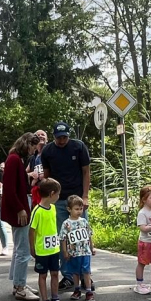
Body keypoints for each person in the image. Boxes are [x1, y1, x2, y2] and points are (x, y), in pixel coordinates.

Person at [39, 122, 91, 290]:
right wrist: (48, 200)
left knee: (81, 237)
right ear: (54, 137)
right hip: (59, 200)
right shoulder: (48, 151)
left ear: (69, 135)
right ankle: (68, 275)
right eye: (59, 138)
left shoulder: (78, 147)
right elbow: (47, 178)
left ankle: (85, 275)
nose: (62, 141)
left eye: (64, 137)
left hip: (77, 198)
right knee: (64, 237)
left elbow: (86, 171)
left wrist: (85, 196)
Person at [1, 133, 41, 301]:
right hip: (18, 210)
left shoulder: (16, 159)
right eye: (33, 147)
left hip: (19, 208)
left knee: (18, 249)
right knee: (23, 251)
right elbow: (9, 189)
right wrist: (20, 209)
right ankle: (20, 287)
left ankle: (18, 282)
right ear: (27, 144)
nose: (33, 151)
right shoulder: (14, 160)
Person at [29, 178, 67, 301]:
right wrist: (32, 247)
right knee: (43, 275)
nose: (59, 197)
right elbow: (31, 230)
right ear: (52, 194)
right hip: (42, 250)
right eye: (58, 194)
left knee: (55, 273)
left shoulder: (53, 208)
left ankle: (55, 298)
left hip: (54, 249)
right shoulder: (37, 211)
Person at [60, 195, 95, 301]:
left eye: (81, 209)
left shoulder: (84, 221)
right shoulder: (66, 224)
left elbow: (89, 235)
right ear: (69, 209)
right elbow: (63, 239)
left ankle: (89, 292)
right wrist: (65, 252)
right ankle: (77, 289)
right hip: (73, 253)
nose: (79, 211)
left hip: (85, 252)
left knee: (86, 272)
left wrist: (92, 248)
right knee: (75, 272)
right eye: (76, 209)